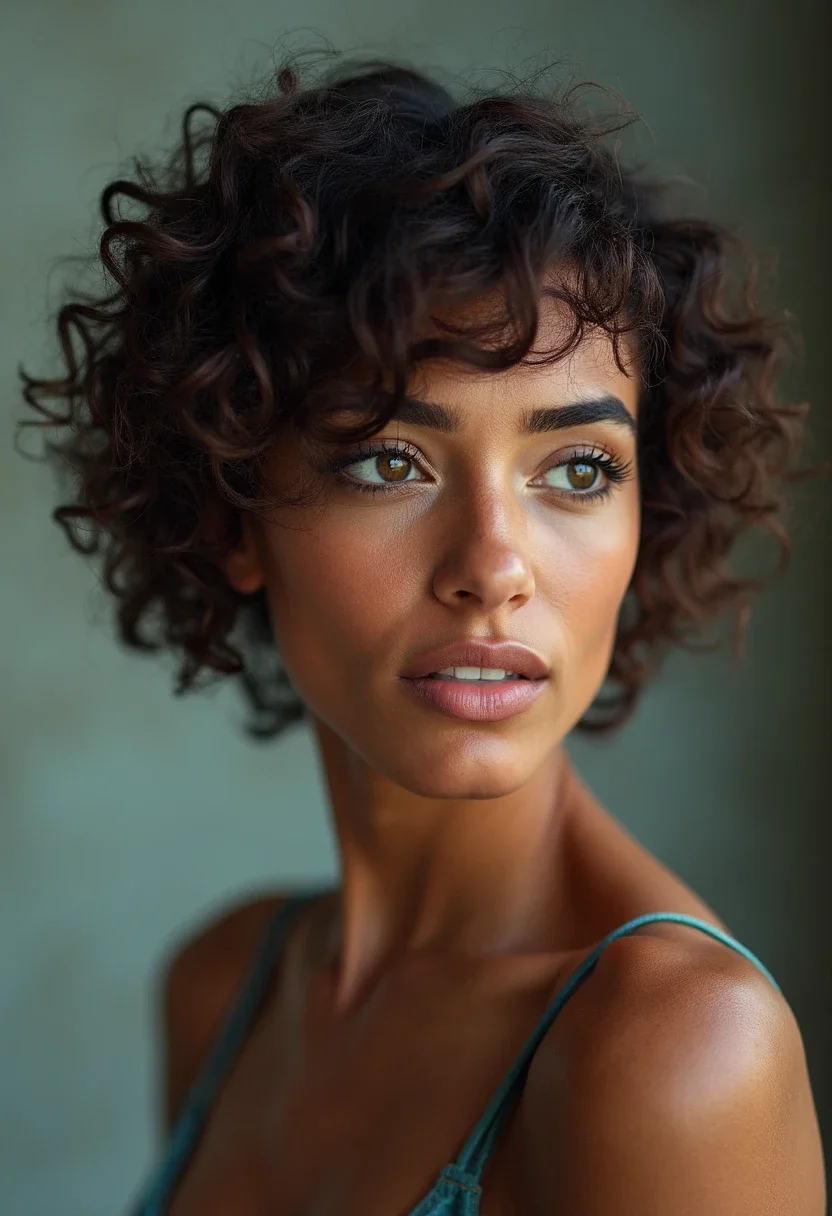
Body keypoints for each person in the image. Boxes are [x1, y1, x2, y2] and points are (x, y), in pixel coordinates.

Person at [18, 49, 826, 1216]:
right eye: (389, 461)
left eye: (578, 469)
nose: (493, 567)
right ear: (232, 513)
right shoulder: (222, 986)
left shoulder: (672, 1051)